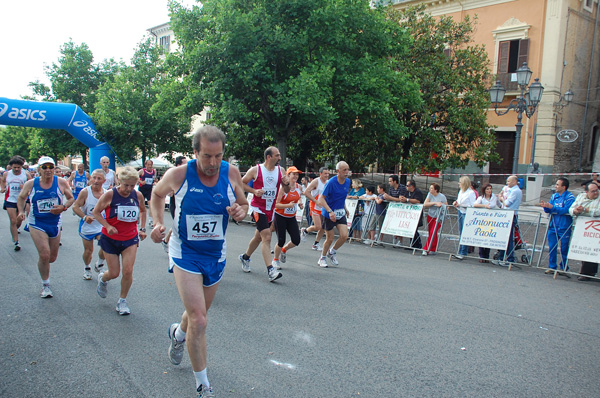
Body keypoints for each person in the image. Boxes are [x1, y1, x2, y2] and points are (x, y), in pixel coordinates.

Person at [149, 126, 248, 398]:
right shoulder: (178, 175)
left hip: (215, 255)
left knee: (197, 314)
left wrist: (241, 210)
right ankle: (203, 385)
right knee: (200, 320)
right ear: (195, 153)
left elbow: (243, 203)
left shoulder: (231, 173)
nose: (213, 163)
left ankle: (178, 335)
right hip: (185, 252)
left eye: (218, 156)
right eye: (207, 156)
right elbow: (157, 195)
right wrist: (157, 223)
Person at [16, 156, 74, 298]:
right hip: (37, 222)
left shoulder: (60, 182)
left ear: (54, 169)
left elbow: (71, 198)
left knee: (52, 258)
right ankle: (45, 285)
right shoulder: (32, 184)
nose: (48, 170)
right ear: (39, 170)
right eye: (45, 167)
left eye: (51, 167)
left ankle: (44, 266)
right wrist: (21, 211)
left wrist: (63, 207)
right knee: (44, 254)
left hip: (55, 222)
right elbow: (21, 197)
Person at [93, 166, 147, 315]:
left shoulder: (137, 195)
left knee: (128, 271)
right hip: (110, 238)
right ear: (119, 181)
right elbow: (96, 212)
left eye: (132, 185)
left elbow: (143, 210)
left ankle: (122, 301)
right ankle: (103, 278)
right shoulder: (110, 195)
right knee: (114, 273)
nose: (129, 189)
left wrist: (142, 228)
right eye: (126, 185)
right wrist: (107, 225)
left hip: (129, 238)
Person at [239, 146, 290, 281]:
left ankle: (245, 257)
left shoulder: (281, 170)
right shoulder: (256, 170)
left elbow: (287, 190)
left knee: (258, 237)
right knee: (267, 237)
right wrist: (254, 191)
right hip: (258, 208)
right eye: (277, 155)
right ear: (269, 157)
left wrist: (287, 183)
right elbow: (241, 183)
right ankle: (270, 270)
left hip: (270, 209)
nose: (280, 158)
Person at [72, 169, 107, 280]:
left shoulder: (107, 194)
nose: (95, 181)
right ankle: (87, 267)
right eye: (94, 178)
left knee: (106, 246)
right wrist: (84, 217)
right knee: (88, 251)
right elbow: (75, 207)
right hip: (87, 226)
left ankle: (99, 264)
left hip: (101, 225)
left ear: (104, 180)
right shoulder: (85, 192)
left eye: (99, 178)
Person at [317, 161, 351, 268]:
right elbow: (321, 199)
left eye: (347, 169)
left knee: (344, 235)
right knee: (330, 238)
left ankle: (332, 252)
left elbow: (341, 197)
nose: (346, 172)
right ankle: (322, 258)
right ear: (338, 171)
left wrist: (345, 208)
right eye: (344, 170)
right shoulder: (331, 182)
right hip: (328, 214)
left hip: (340, 212)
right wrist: (330, 211)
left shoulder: (348, 182)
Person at [540, 178, 575, 275]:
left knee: (564, 248)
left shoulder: (570, 197)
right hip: (553, 226)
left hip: (564, 226)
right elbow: (550, 210)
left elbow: (566, 210)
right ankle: (552, 267)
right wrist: (545, 206)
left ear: (564, 187)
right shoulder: (554, 196)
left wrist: (552, 208)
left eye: (557, 185)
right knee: (552, 247)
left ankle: (564, 268)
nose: (555, 186)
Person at [272, 166, 304, 270]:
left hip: (291, 217)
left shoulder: (299, 187)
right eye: (293, 174)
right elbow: (275, 204)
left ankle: (284, 250)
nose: (296, 176)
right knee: (281, 240)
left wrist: (299, 203)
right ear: (288, 175)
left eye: (297, 174)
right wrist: (287, 206)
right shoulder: (282, 189)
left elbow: (298, 197)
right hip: (280, 216)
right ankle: (275, 260)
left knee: (296, 240)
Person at [568, 182, 600, 281]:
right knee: (586, 249)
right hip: (584, 228)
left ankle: (589, 273)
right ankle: (586, 273)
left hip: (596, 228)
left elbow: (598, 211)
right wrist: (576, 211)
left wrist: (585, 210)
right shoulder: (581, 196)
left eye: (597, 190)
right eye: (593, 191)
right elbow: (571, 208)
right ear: (586, 192)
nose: (596, 193)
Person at [1, 155, 32, 251]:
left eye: (18, 167)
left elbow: (31, 185)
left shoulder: (26, 174)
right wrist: (3, 187)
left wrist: (26, 190)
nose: (16, 169)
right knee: (13, 220)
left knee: (19, 220)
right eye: (14, 167)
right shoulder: (7, 174)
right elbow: (2, 180)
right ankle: (16, 241)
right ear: (11, 166)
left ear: (22, 166)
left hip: (21, 200)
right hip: (10, 199)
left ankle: (16, 228)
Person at [493, 175, 523, 266]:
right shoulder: (507, 189)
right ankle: (501, 257)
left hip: (511, 215)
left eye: (509, 181)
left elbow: (507, 203)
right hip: (505, 214)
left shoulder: (516, 191)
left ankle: (510, 258)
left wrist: (501, 198)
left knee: (509, 238)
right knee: (503, 237)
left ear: (514, 182)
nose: (507, 183)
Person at [163, 156, 188, 252]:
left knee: (180, 225)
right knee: (178, 225)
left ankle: (166, 241)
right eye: (184, 163)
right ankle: (167, 242)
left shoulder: (187, 176)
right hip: (175, 205)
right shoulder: (174, 176)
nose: (187, 165)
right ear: (178, 165)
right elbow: (168, 193)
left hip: (185, 205)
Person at [301, 167, 329, 250]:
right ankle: (305, 231)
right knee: (318, 226)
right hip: (314, 205)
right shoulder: (316, 181)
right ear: (320, 174)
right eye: (325, 173)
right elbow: (306, 192)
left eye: (328, 173)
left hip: (323, 206)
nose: (327, 175)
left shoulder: (328, 182)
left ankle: (316, 244)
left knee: (323, 227)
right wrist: (315, 201)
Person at [473, 183, 499, 262]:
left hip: (491, 220)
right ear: (484, 190)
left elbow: (500, 205)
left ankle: (487, 256)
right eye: (487, 189)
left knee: (489, 238)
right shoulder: (481, 198)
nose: (489, 191)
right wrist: (484, 206)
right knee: (482, 238)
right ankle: (481, 256)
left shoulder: (494, 197)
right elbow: (475, 204)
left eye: (490, 189)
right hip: (483, 220)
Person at [452, 176, 477, 260]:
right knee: (460, 232)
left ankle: (463, 252)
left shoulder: (471, 193)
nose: (459, 184)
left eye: (460, 182)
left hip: (466, 213)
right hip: (460, 211)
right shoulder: (461, 192)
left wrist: (461, 205)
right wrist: (456, 203)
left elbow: (472, 205)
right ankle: (461, 251)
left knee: (464, 233)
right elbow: (459, 201)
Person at [422, 183, 447, 255]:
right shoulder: (430, 195)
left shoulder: (442, 197)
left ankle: (426, 249)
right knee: (431, 232)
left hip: (438, 217)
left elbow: (447, 206)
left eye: (432, 188)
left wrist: (441, 205)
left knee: (433, 231)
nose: (430, 189)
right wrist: (435, 203)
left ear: (436, 190)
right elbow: (425, 204)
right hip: (430, 215)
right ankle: (433, 248)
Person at [383, 174, 408, 246]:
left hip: (401, 208)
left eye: (390, 181)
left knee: (399, 224)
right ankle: (395, 238)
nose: (389, 183)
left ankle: (400, 241)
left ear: (395, 181)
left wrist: (389, 198)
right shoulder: (391, 188)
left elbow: (400, 199)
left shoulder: (402, 188)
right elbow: (390, 197)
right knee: (393, 223)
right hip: (393, 208)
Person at [401, 180, 424, 249]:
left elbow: (418, 201)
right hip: (409, 213)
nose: (406, 187)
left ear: (412, 186)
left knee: (414, 229)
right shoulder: (407, 192)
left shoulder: (418, 192)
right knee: (411, 229)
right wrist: (402, 199)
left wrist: (407, 200)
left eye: (407, 186)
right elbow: (404, 198)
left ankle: (418, 245)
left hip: (416, 213)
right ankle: (412, 244)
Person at [138, 159, 157, 228]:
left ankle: (151, 221)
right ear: (145, 165)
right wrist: (141, 181)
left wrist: (155, 181)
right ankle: (138, 217)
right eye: (148, 165)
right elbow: (135, 176)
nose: (150, 166)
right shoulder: (142, 171)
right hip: (142, 190)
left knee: (151, 205)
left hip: (149, 190)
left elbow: (153, 178)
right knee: (140, 205)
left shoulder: (153, 171)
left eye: (151, 165)